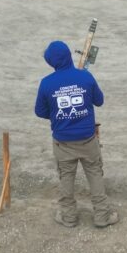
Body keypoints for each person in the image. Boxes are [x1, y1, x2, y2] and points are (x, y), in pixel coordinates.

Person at [34, 40, 118, 229]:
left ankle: (69, 217)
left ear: (51, 62)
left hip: (63, 142)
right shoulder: (86, 77)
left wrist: (58, 113)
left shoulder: (46, 83)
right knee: (95, 175)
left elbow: (40, 111)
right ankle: (102, 217)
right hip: (88, 140)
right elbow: (99, 101)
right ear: (68, 56)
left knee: (66, 179)